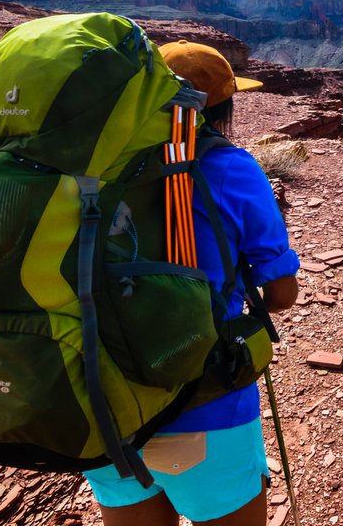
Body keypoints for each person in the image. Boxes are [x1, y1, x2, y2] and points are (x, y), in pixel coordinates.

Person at [83, 40, 300, 526]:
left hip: (103, 396)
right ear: (221, 106)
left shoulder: (93, 166)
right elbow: (281, 293)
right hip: (204, 402)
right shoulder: (230, 167)